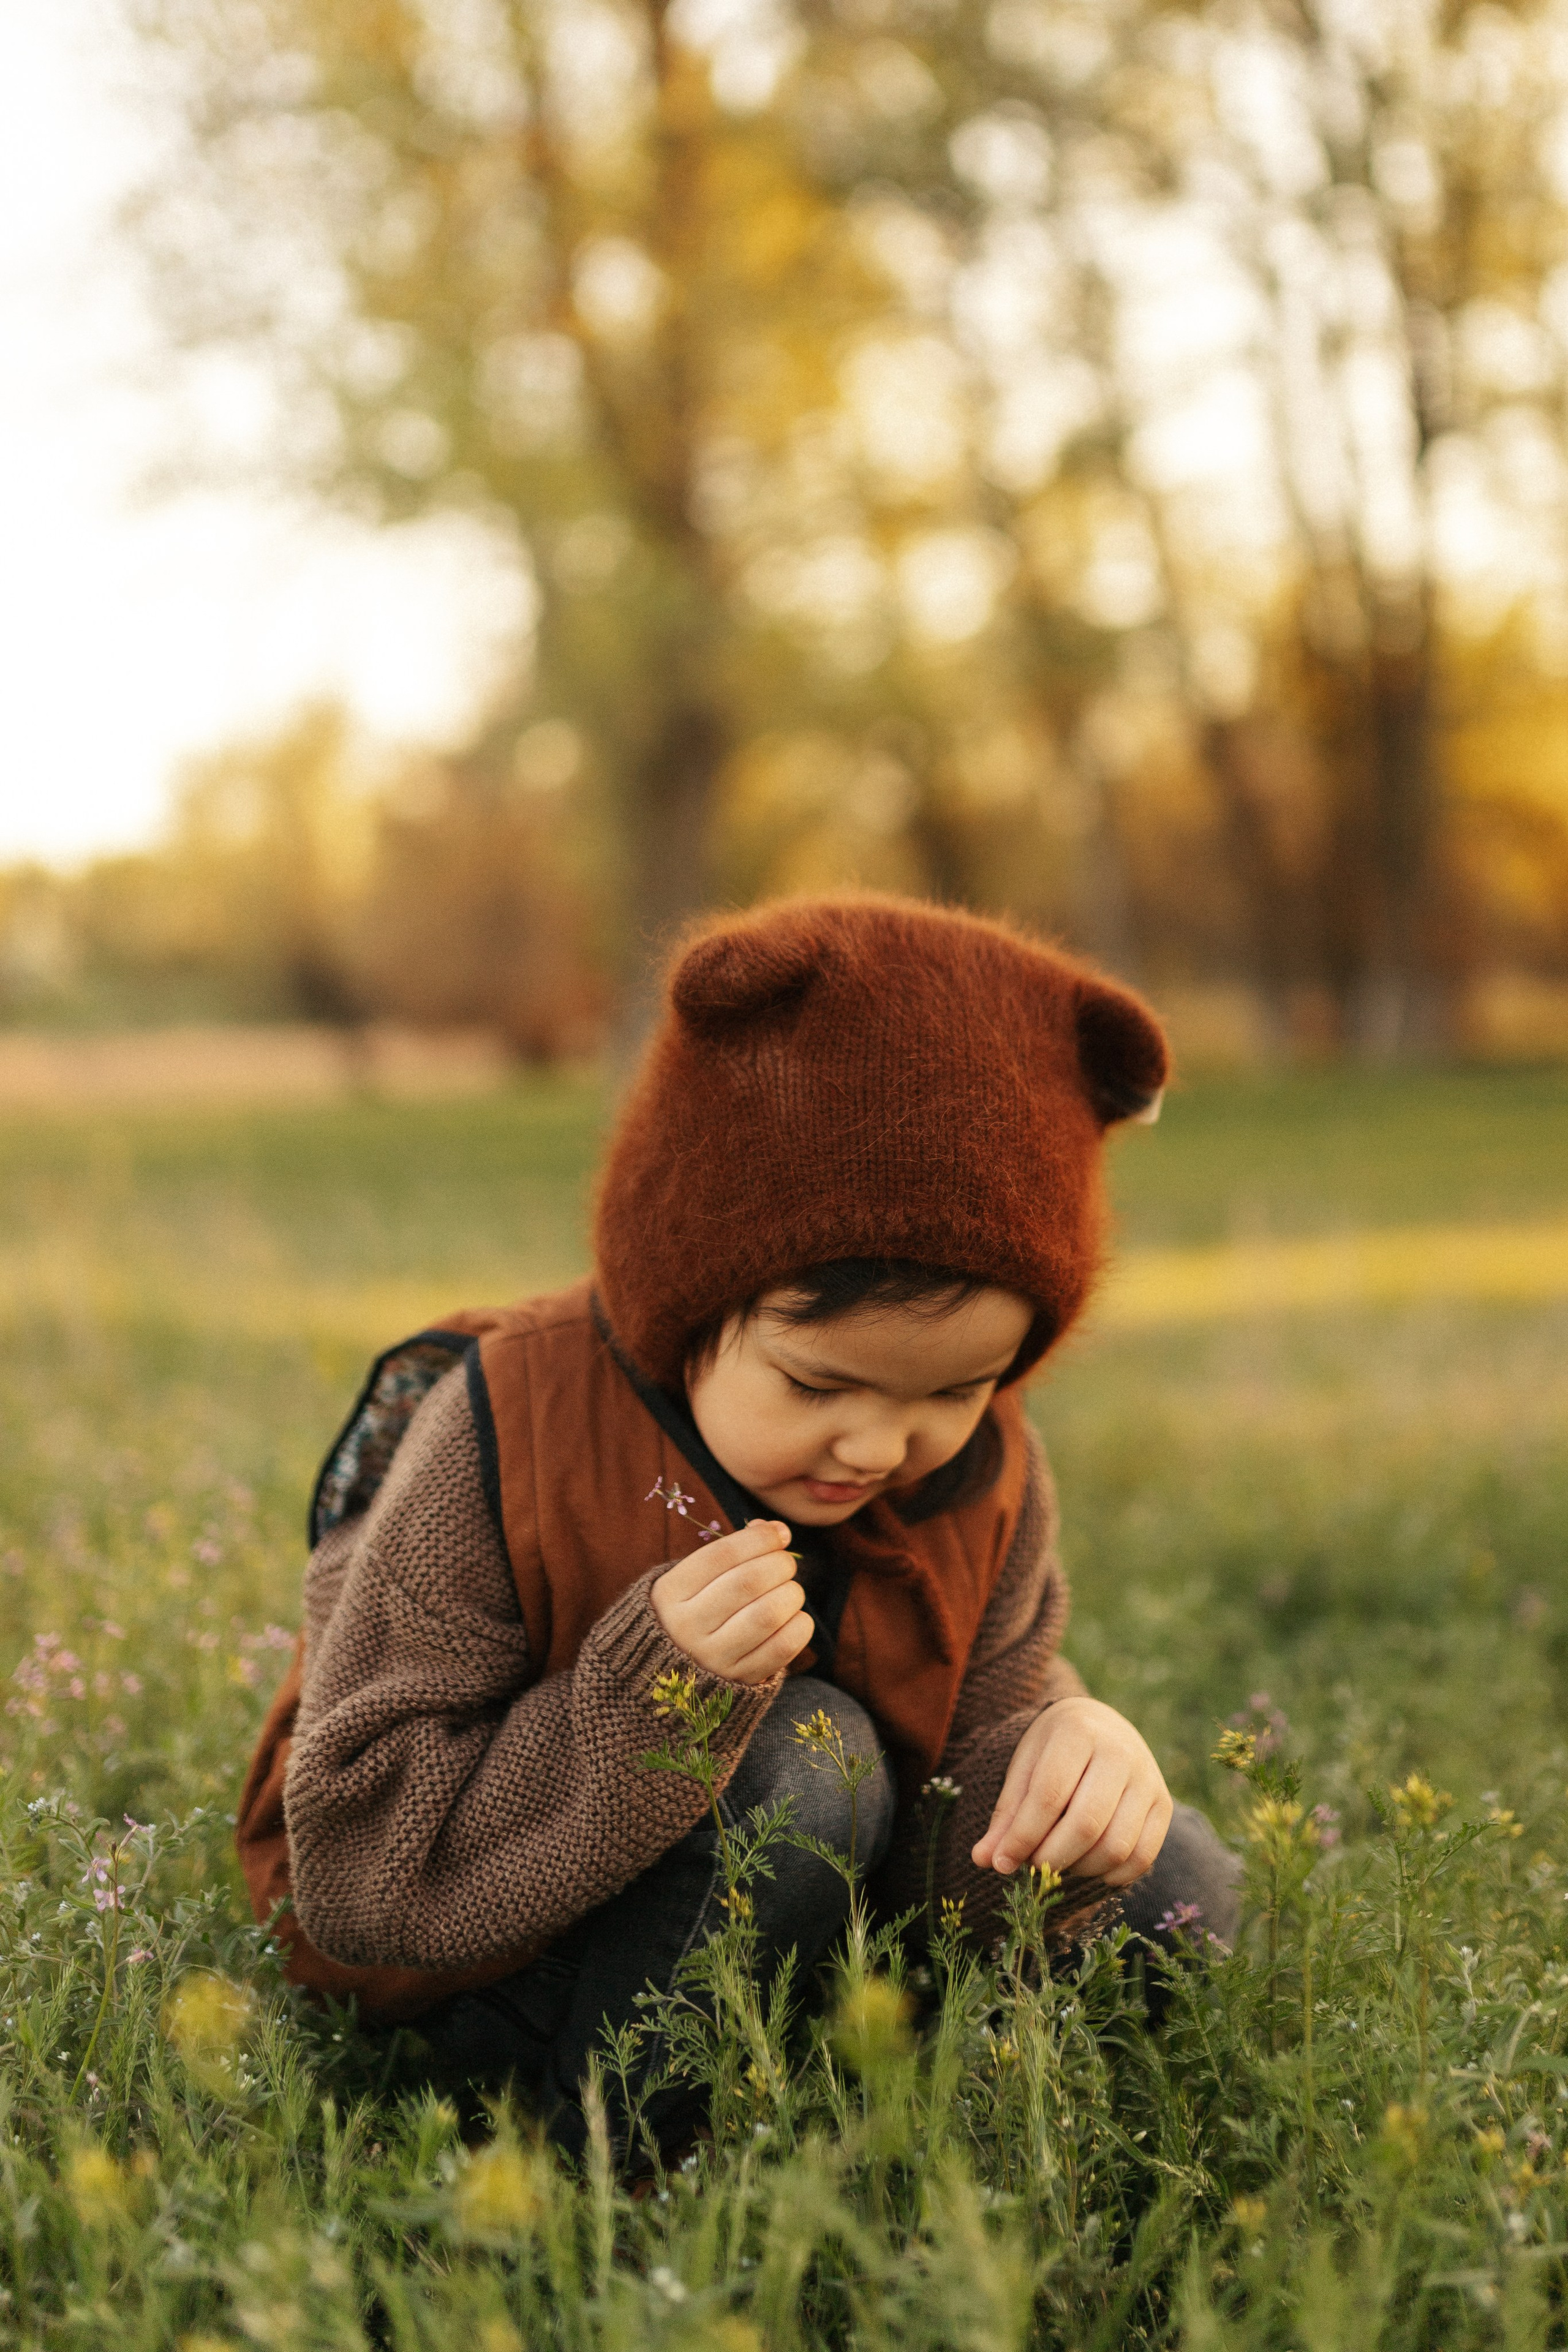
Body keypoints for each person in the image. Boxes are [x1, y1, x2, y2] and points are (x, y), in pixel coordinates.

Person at [236, 893, 1239, 2154]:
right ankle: (606, 2172)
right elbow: (359, 1872)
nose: (880, 1447)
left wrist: (1057, 1754)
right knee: (803, 1759)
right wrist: (648, 1700)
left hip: (791, 1916)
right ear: (687, 1298)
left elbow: (958, 1790)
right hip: (487, 1954)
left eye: (956, 1389)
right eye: (816, 1386)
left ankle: (928, 2122)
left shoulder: (982, 1471)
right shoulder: (503, 1435)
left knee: (1172, 1877)